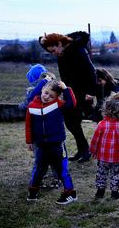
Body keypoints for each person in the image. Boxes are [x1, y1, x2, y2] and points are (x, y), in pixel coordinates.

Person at [39, 31, 97, 163]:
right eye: (51, 52)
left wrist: (92, 92)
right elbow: (42, 41)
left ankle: (85, 151)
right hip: (69, 91)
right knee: (71, 122)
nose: (54, 54)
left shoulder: (79, 50)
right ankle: (83, 150)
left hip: (82, 93)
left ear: (59, 44)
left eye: (53, 50)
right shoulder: (63, 51)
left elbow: (91, 71)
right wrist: (43, 40)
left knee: (73, 121)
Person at [25, 80, 78, 205]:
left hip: (57, 144)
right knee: (39, 169)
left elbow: (71, 104)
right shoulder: (32, 106)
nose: (47, 97)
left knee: (62, 170)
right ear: (42, 89)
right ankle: (33, 191)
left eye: (52, 96)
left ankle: (70, 193)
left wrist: (66, 89)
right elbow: (28, 125)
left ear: (56, 97)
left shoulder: (57, 104)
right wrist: (29, 141)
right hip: (41, 146)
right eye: (46, 93)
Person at [90, 92, 119, 200]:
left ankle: (100, 191)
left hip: (103, 156)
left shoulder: (101, 124)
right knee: (116, 174)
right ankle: (115, 192)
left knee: (101, 173)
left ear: (105, 110)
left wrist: (93, 151)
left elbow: (95, 140)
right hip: (118, 157)